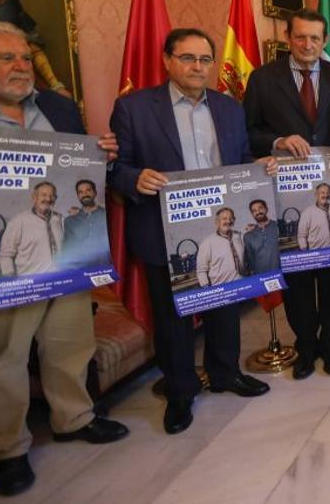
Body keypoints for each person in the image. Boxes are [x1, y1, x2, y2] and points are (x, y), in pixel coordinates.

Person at [0, 20, 127, 496]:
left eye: (25, 58)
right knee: (1, 359)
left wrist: (101, 158)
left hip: (67, 253)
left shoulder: (57, 106)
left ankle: (74, 417)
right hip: (2, 265)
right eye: (5, 58)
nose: (20, 67)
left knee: (69, 344)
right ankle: (8, 449)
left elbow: (77, 173)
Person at [110, 27, 272, 437]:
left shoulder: (228, 107)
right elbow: (115, 166)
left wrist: (261, 167)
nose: (197, 67)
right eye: (187, 58)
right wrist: (134, 179)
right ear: (167, 60)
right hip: (164, 227)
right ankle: (181, 390)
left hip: (222, 222)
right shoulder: (133, 108)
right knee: (172, 316)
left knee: (225, 304)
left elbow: (240, 159)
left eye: (204, 60)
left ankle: (224, 373)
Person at [243, 8, 330, 380]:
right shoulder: (262, 79)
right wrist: (277, 140)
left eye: (315, 39)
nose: (308, 45)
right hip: (286, 192)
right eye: (301, 37)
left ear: (325, 41)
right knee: (299, 273)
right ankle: (306, 347)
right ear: (288, 37)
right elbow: (247, 132)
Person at [0, 181, 62, 276]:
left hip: (59, 279)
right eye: (44, 195)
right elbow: (5, 255)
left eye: (52, 196)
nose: (48, 199)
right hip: (31, 282)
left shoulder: (60, 219)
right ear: (34, 197)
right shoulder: (18, 222)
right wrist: (10, 281)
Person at [60, 179, 107, 268]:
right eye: (81, 192)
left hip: (104, 268)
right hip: (79, 270)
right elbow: (66, 250)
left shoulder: (106, 215)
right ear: (78, 196)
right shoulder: (70, 221)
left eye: (88, 190)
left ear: (95, 193)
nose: (85, 194)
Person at [194, 207, 245, 286]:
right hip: (221, 288)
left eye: (231, 218)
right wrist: (208, 290)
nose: (228, 221)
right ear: (217, 222)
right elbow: (201, 271)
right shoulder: (207, 243)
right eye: (224, 219)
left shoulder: (239, 236)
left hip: (243, 284)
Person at [297, 182, 330, 250]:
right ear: (316, 195)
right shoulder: (307, 212)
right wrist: (305, 253)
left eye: (328, 193)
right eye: (322, 192)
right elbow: (301, 236)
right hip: (317, 253)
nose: (325, 195)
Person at [242, 199, 279, 275]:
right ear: (252, 214)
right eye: (254, 211)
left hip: (280, 274)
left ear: (266, 209)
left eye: (260, 208)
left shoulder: (277, 227)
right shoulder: (248, 236)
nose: (258, 212)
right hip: (260, 277)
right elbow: (250, 261)